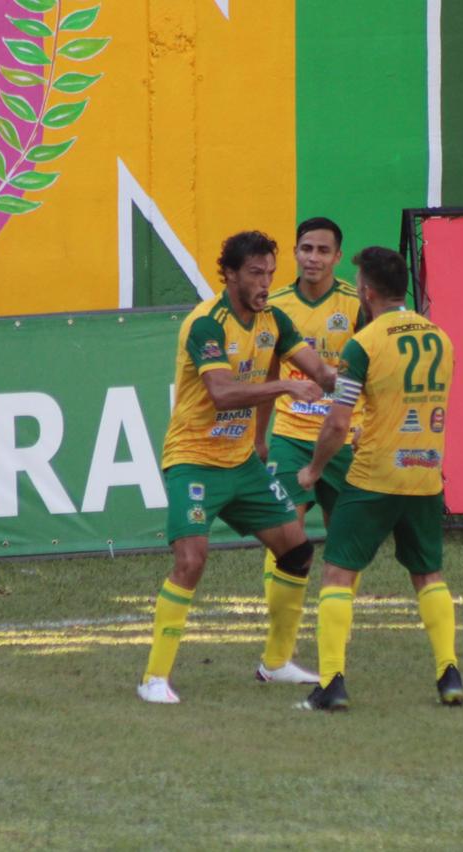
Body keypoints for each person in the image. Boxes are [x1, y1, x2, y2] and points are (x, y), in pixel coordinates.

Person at [139, 230, 337, 704]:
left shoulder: (273, 320)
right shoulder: (207, 324)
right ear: (228, 274)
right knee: (191, 561)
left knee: (296, 552)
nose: (265, 282)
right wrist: (283, 389)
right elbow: (222, 393)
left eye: (270, 272)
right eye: (254, 273)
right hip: (194, 461)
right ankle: (154, 678)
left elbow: (323, 373)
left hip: (241, 463)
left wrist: (360, 375)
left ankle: (275, 663)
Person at [296, 246, 463, 711]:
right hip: (426, 474)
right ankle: (448, 672)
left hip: (374, 475)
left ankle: (331, 682)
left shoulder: (364, 343)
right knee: (427, 573)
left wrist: (312, 469)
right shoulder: (441, 338)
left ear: (366, 291)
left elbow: (336, 421)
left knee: (338, 573)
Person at [251, 217, 366, 684]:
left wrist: (370, 429)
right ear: (295, 253)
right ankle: (278, 649)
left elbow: (377, 374)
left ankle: (332, 642)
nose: (313, 258)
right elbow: (264, 377)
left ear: (338, 257)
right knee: (286, 536)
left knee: (347, 544)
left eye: (323, 250)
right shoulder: (275, 306)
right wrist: (260, 437)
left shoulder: (358, 305)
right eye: (305, 249)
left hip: (347, 437)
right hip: (292, 434)